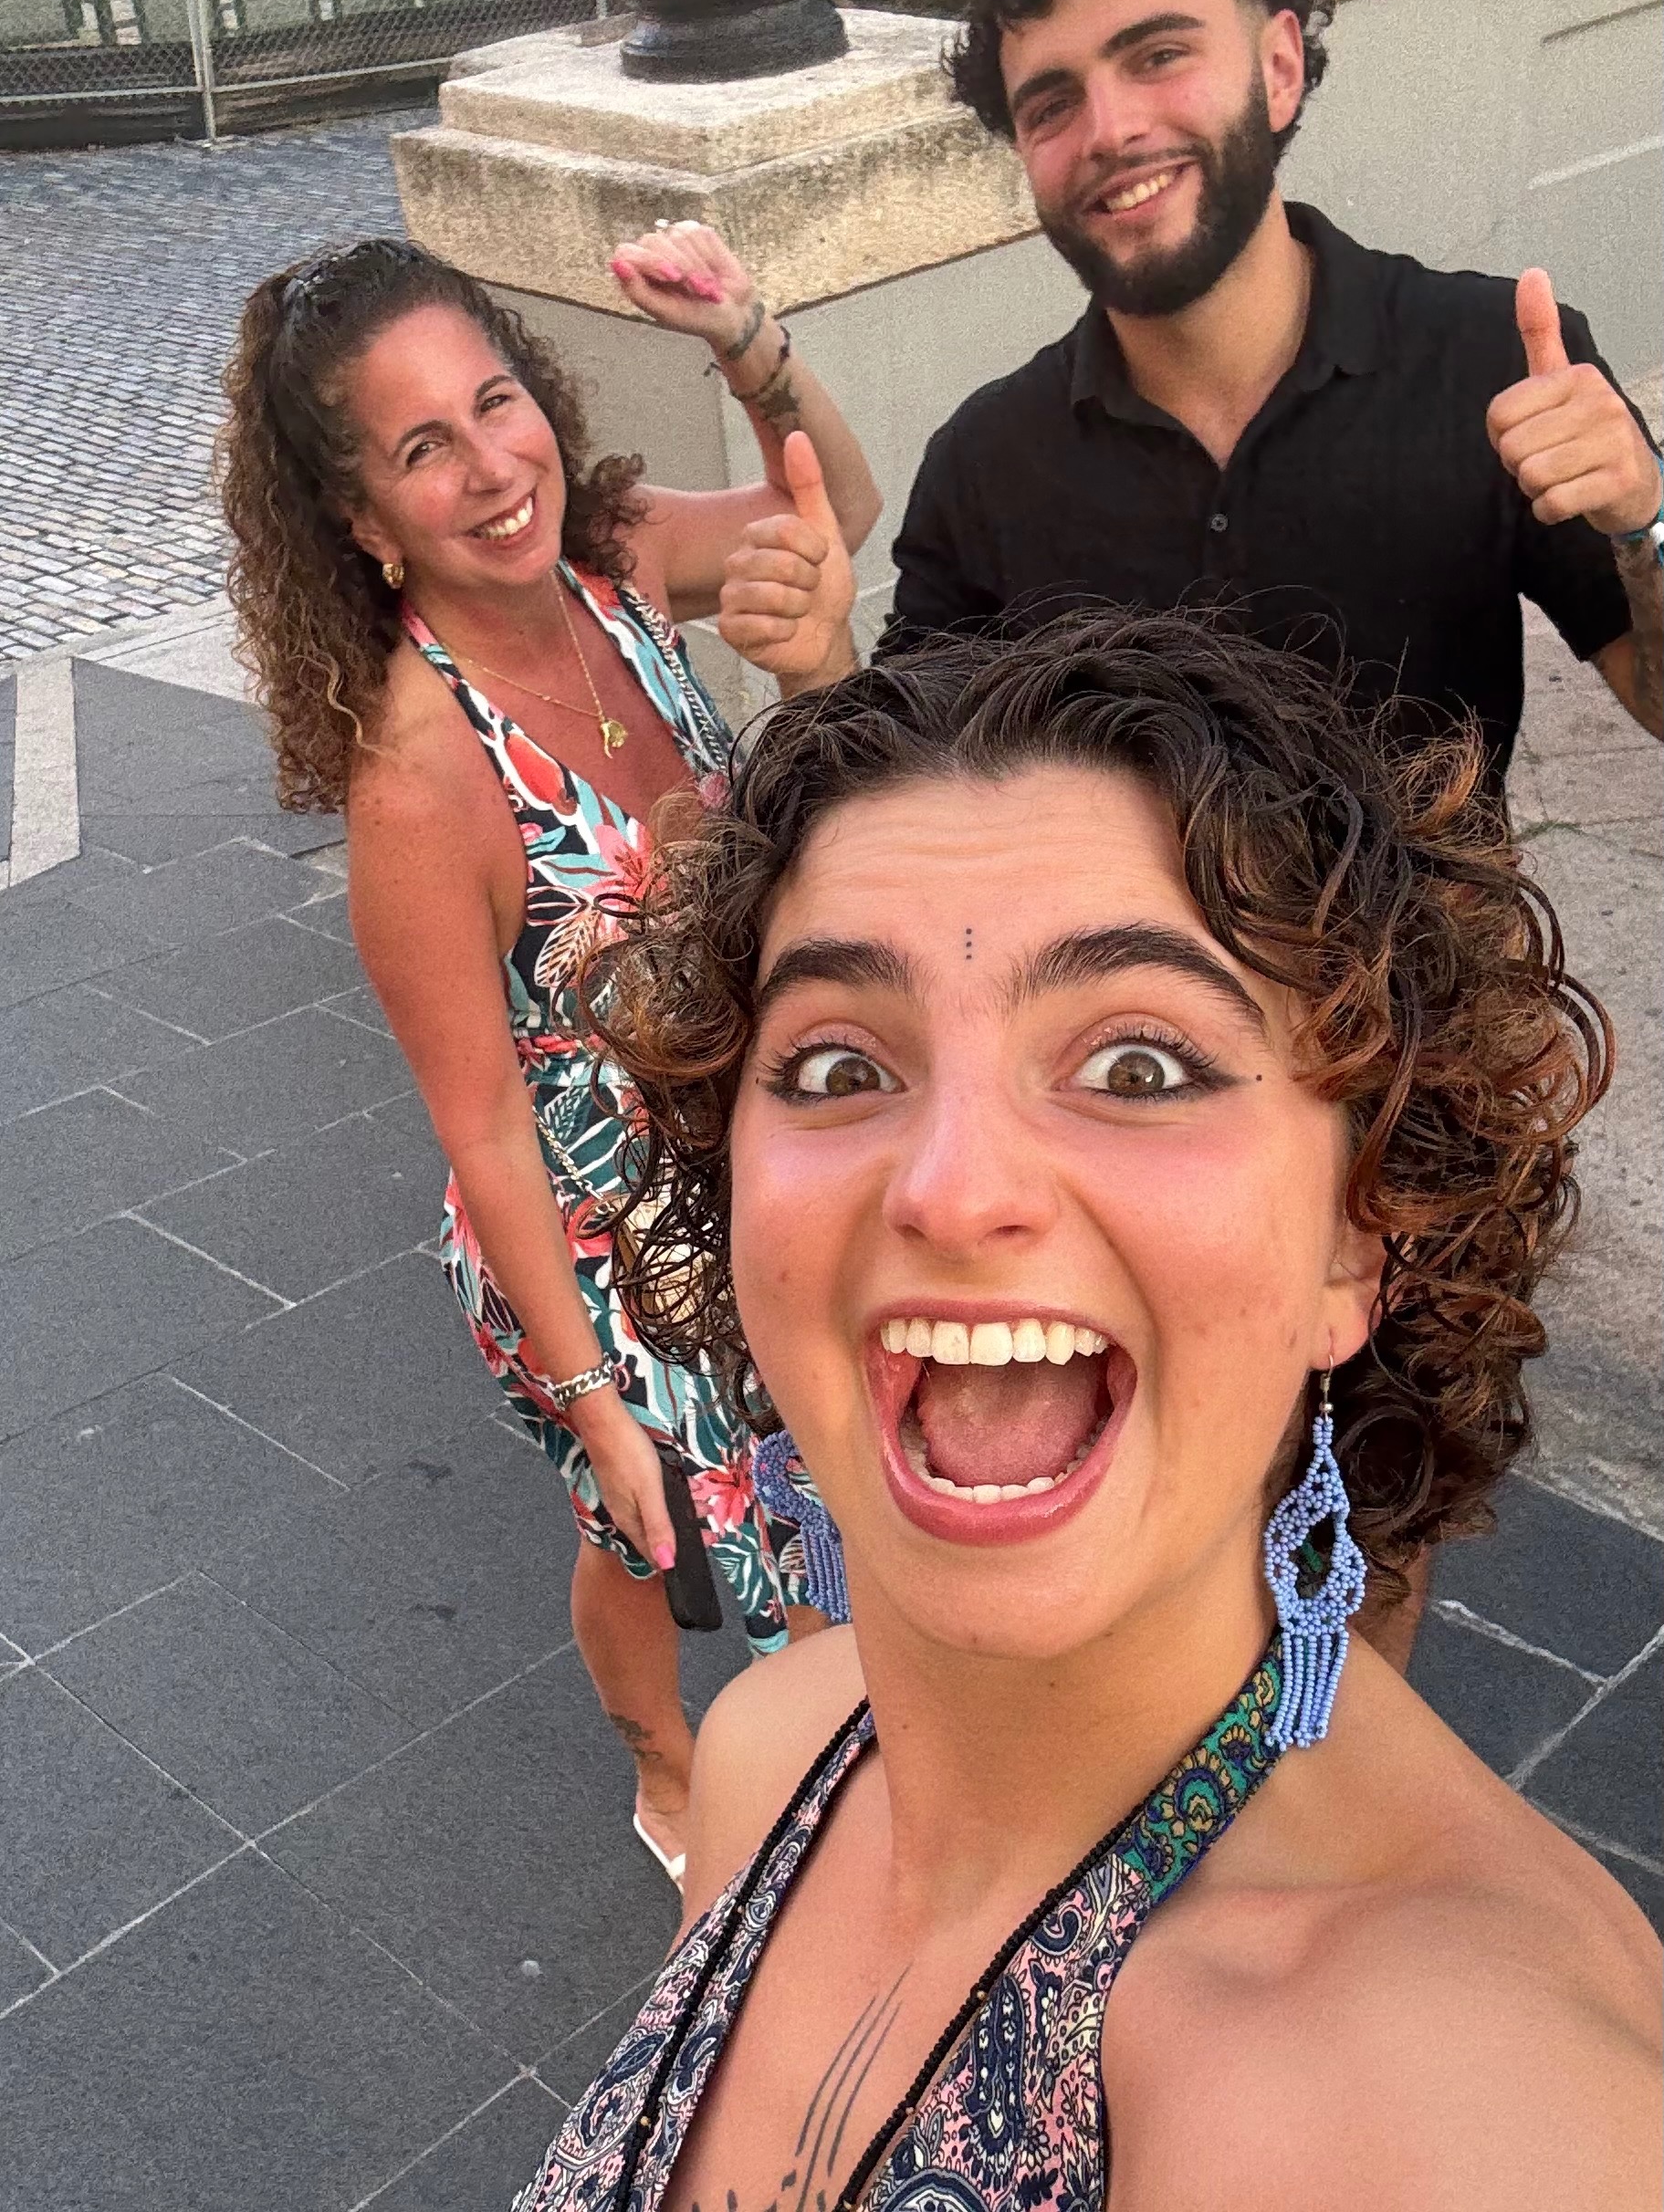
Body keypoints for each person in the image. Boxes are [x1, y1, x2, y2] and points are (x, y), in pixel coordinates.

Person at [513, 610, 1659, 2209]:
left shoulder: (1454, 2107)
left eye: (1136, 1067)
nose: (951, 1186)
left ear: (1358, 1234)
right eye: (838, 1068)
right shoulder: (771, 1747)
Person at [218, 225, 878, 1886]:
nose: (490, 467)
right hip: (601, 1248)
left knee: (748, 1510)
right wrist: (593, 1400)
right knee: (672, 1526)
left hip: (747, 1158)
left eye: (495, 402)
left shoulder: (617, 559)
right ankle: (676, 1776)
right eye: (421, 448)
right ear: (363, 522)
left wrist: (748, 342)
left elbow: (831, 514)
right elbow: (485, 1130)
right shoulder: (420, 779)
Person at [873, 0, 1663, 775]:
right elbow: (907, 785)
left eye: (1157, 56)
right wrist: (810, 662)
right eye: (1050, 105)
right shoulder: (984, 466)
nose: (1109, 131)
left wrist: (1643, 521)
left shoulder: (1490, 362)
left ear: (1278, 68)